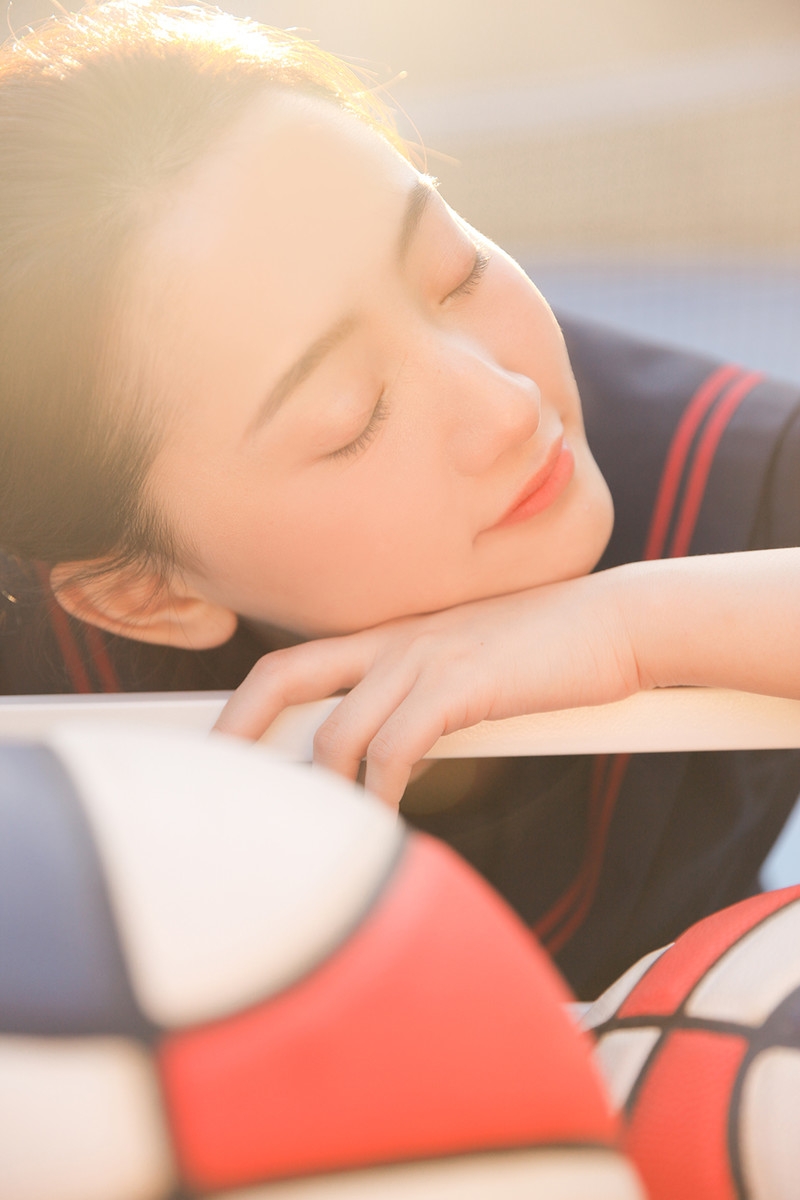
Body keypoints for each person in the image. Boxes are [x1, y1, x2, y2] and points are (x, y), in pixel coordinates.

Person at [1, 0, 799, 997]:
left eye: (454, 273)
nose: (507, 405)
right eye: (351, 417)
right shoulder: (35, 672)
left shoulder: (725, 472)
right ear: (143, 598)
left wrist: (630, 628)